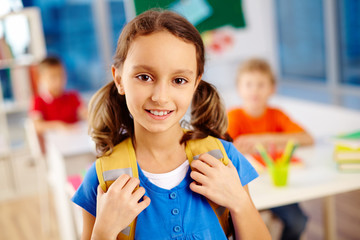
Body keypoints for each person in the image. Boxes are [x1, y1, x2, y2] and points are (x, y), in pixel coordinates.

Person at [72, 10, 271, 240]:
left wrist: (240, 203)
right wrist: (104, 232)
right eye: (145, 77)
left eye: (179, 80)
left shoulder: (225, 160)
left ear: (195, 83)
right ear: (119, 79)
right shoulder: (102, 179)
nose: (161, 96)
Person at [227, 58, 314, 240]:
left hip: (276, 185)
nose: (254, 90)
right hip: (245, 189)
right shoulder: (233, 117)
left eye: (261, 85)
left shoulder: (277, 115)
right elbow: (221, 147)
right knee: (238, 228)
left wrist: (263, 139)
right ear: (239, 88)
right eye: (248, 84)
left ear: (272, 88)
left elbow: (307, 138)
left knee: (298, 222)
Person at [29, 56, 87, 134]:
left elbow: (85, 114)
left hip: (76, 138)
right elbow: (37, 125)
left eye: (61, 75)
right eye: (53, 77)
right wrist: (58, 125)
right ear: (41, 78)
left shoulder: (73, 96)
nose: (59, 80)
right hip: (55, 143)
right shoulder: (38, 101)